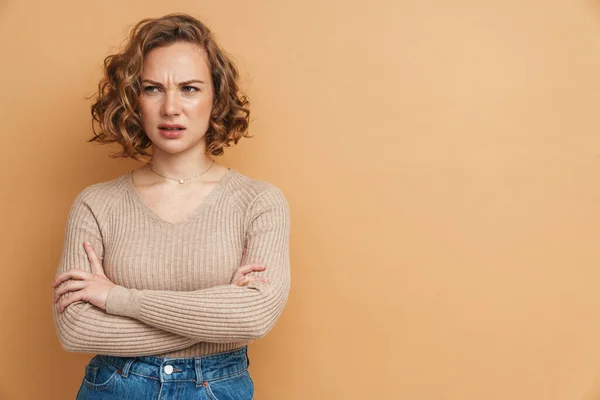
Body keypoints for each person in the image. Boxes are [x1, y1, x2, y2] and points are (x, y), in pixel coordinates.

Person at [50, 13, 290, 399]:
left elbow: (252, 317)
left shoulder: (258, 202)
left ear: (216, 97)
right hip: (115, 386)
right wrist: (214, 314)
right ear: (134, 99)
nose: (171, 108)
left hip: (216, 388)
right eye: (153, 89)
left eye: (190, 88)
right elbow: (76, 329)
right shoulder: (96, 204)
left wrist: (116, 298)